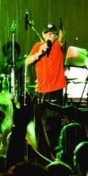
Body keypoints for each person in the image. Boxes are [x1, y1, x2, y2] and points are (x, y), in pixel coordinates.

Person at [25, 23, 66, 158]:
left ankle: (53, 153)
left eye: (52, 33)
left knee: (53, 123)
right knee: (39, 122)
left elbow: (62, 37)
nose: (49, 35)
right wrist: (39, 53)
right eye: (47, 33)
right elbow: (26, 62)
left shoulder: (58, 46)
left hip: (55, 91)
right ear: (43, 35)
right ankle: (40, 151)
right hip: (40, 91)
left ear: (55, 36)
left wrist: (61, 30)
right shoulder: (38, 46)